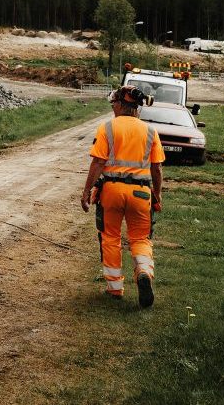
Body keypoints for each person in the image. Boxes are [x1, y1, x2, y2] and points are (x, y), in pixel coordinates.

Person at [81, 86, 164, 307]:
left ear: (119, 104)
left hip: (111, 192)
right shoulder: (150, 132)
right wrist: (157, 194)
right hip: (141, 193)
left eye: (113, 105)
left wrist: (86, 190)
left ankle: (114, 288)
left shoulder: (107, 128)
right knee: (140, 239)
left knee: (111, 238)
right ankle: (144, 272)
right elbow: (156, 169)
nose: (112, 109)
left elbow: (98, 162)